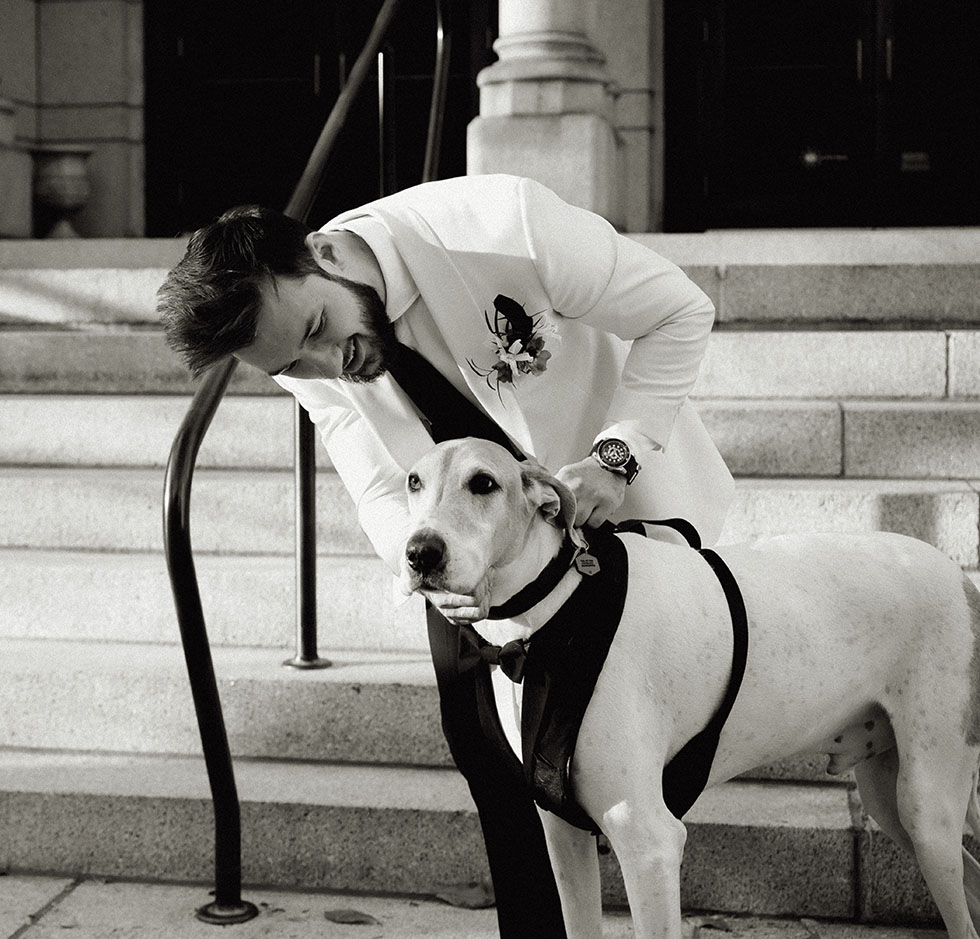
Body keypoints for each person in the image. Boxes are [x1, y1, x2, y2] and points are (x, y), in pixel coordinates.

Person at [158, 173, 734, 938]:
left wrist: (616, 454)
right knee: (487, 738)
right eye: (295, 366)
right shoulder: (301, 352)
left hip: (616, 512)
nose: (331, 365)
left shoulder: (504, 223)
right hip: (468, 548)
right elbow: (374, 481)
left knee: (635, 755)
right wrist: (422, 568)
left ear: (324, 252)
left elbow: (679, 310)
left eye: (319, 329)